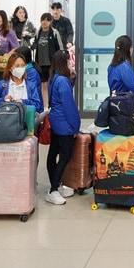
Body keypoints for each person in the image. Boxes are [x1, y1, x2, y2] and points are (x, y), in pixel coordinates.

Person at [45, 45, 80, 205]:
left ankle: (55, 185)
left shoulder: (54, 78)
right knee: (65, 156)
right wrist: (75, 126)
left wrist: (72, 78)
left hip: (55, 122)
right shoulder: (62, 81)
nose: (71, 64)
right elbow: (69, 107)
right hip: (64, 124)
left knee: (53, 153)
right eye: (69, 61)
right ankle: (53, 189)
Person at [0, 48, 44, 115]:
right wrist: (3, 100)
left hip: (26, 123)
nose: (20, 68)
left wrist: (22, 102)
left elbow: (38, 106)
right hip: (6, 122)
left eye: (22, 65)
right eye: (17, 66)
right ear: (10, 68)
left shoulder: (30, 85)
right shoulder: (1, 85)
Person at [31, 13, 65, 102]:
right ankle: (45, 105)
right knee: (43, 85)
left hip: (52, 64)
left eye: (47, 20)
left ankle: (53, 103)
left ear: (50, 22)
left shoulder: (54, 33)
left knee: (52, 84)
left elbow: (60, 48)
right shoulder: (38, 32)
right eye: (43, 20)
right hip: (41, 63)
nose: (44, 22)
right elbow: (35, 45)